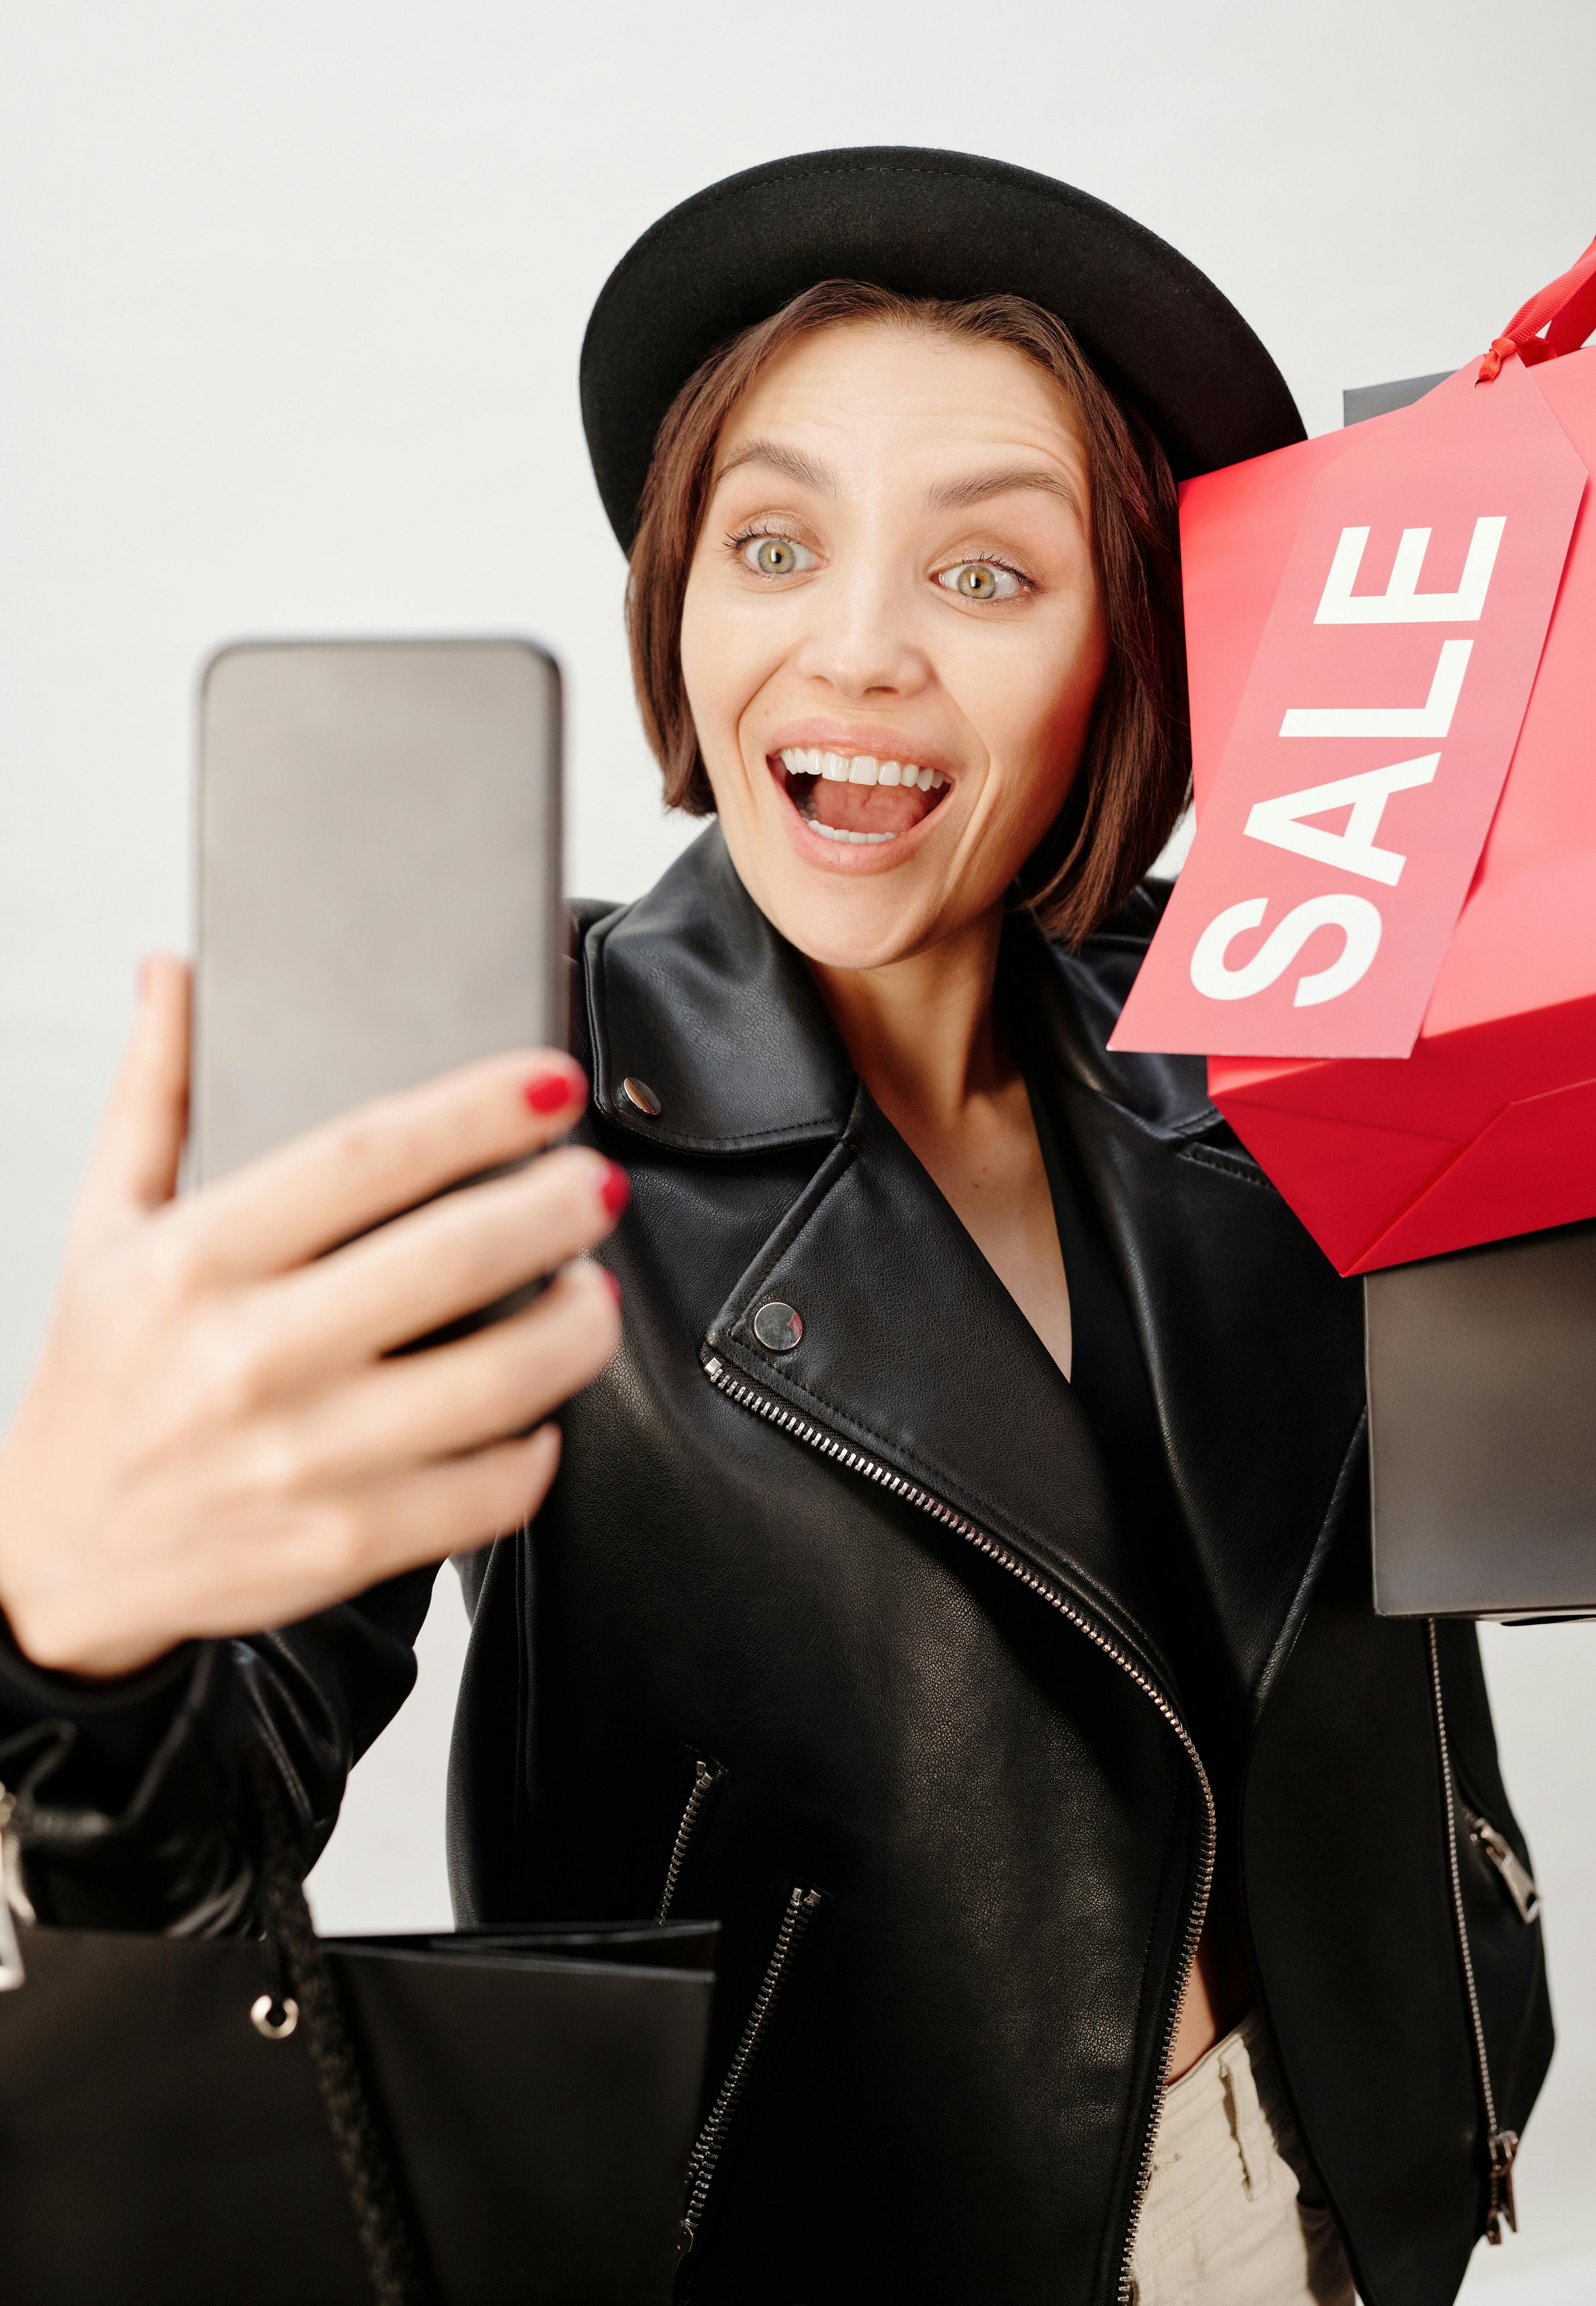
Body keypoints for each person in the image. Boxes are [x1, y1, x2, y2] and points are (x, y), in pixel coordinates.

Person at [0, 149, 1550, 2305]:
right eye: (772, 542)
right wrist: (72, 1640)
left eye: (988, 577)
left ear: (1128, 651)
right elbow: (187, 1858)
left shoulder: (1264, 1032)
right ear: (681, 600)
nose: (855, 650)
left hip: (1333, 2186)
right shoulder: (497, 1100)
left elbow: (1513, 1505)